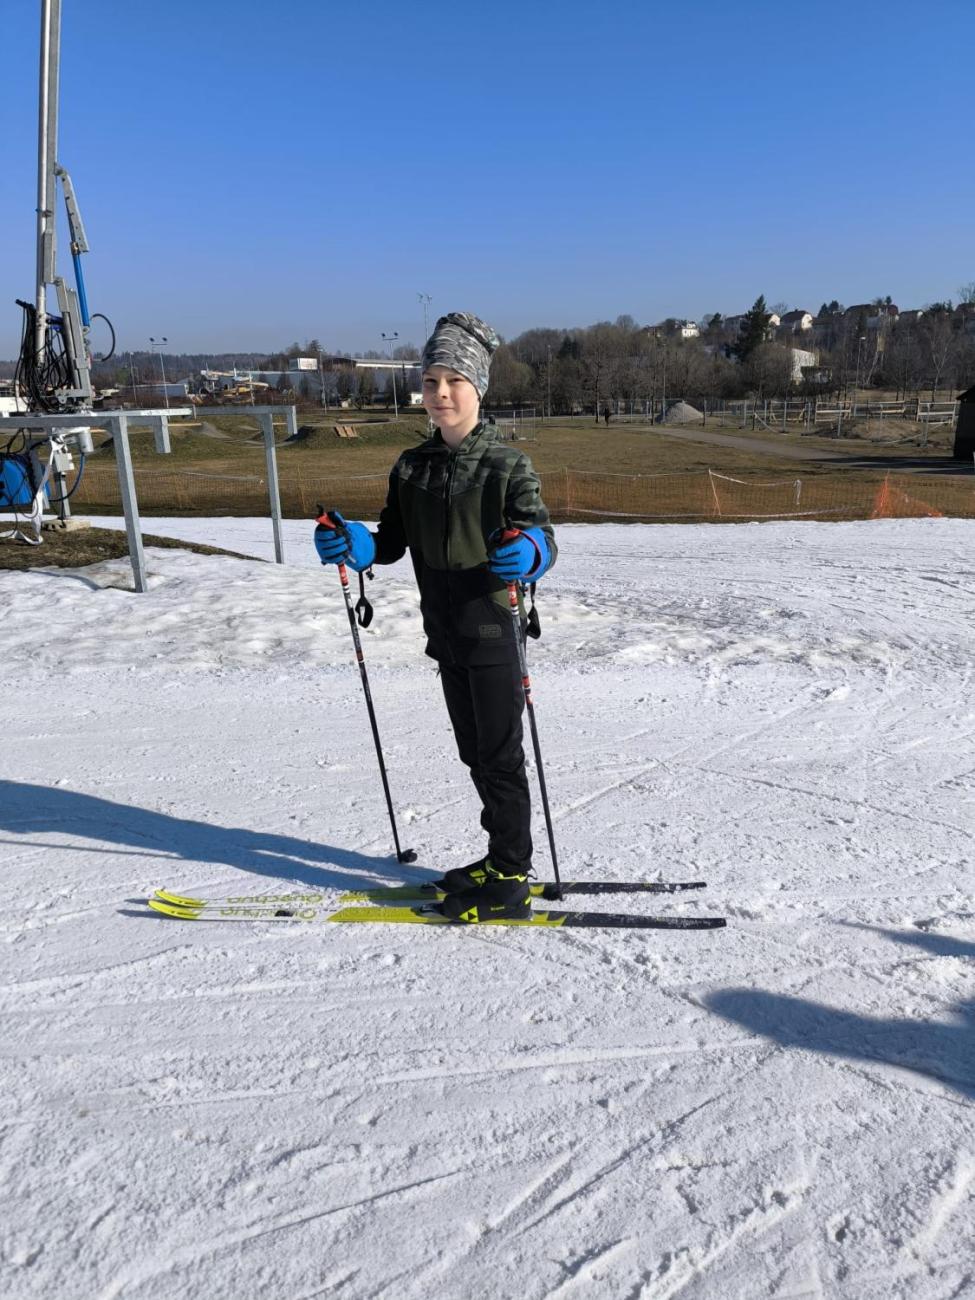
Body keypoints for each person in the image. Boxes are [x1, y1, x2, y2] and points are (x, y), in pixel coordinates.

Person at [315, 312, 556, 923]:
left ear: (478, 388)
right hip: (445, 634)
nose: (441, 393)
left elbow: (543, 536)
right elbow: (389, 540)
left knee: (501, 757)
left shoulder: (506, 466)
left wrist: (530, 551)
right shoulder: (411, 467)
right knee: (474, 752)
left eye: (454, 380)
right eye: (430, 381)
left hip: (494, 631)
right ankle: (499, 854)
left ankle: (510, 873)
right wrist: (355, 546)